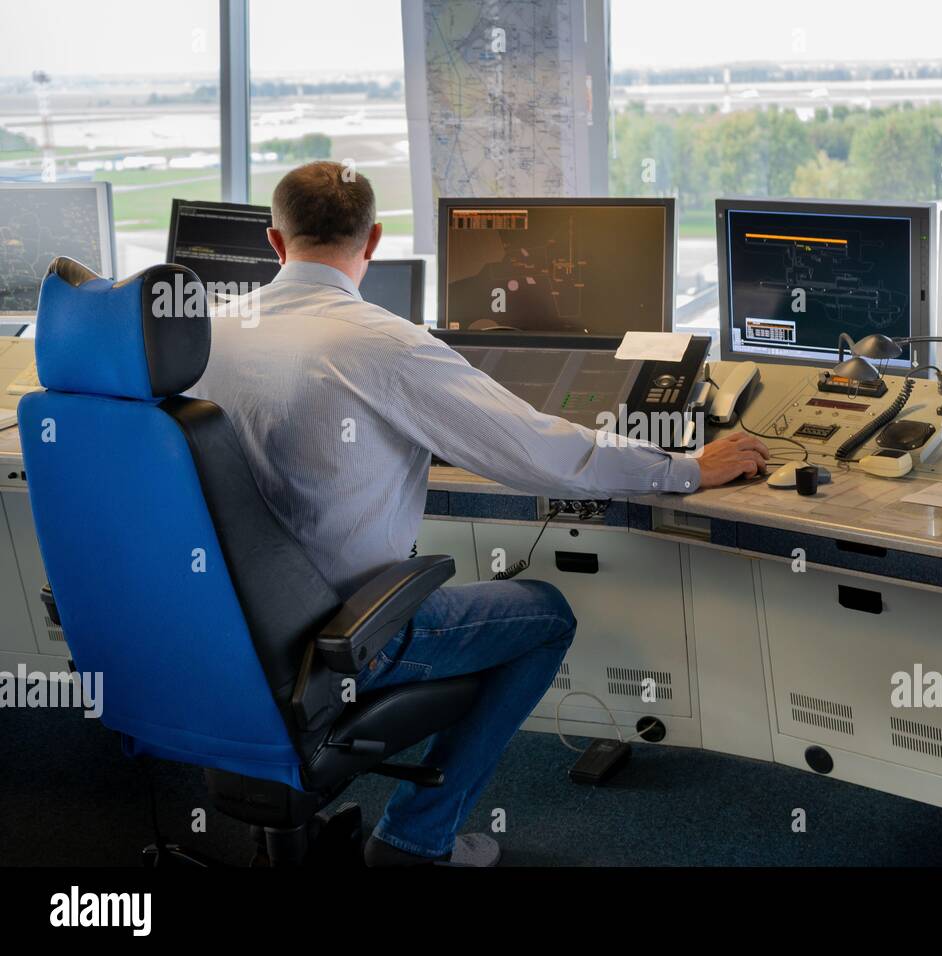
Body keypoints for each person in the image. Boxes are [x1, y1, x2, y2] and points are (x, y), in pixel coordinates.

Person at [189, 161, 770, 866]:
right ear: (372, 240)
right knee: (544, 617)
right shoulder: (385, 344)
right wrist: (685, 468)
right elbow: (541, 453)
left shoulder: (200, 337)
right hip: (338, 640)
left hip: (214, 632)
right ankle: (416, 836)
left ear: (275, 243)